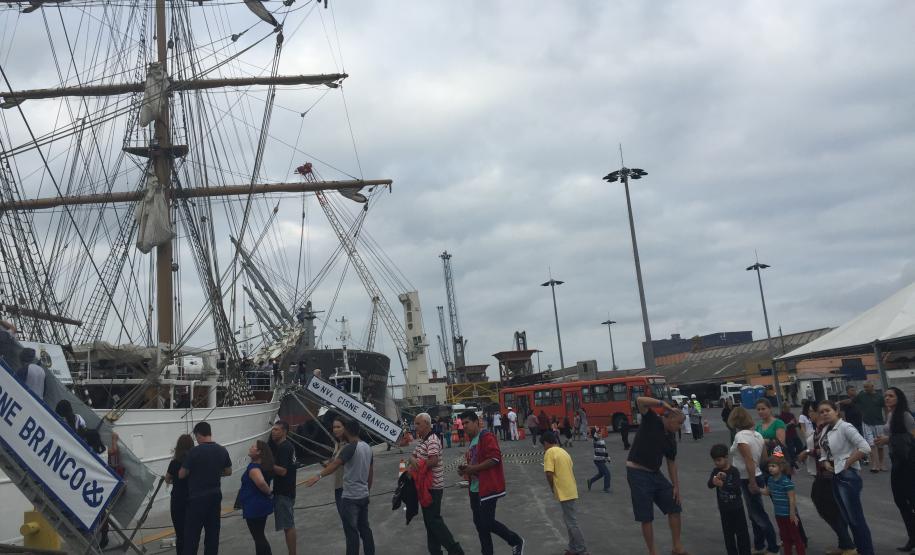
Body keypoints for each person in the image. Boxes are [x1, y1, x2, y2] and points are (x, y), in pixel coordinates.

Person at [625, 396, 689, 555]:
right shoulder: (651, 419)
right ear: (670, 417)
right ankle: (653, 552)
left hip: (655, 473)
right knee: (646, 516)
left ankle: (677, 547)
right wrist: (663, 404)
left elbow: (671, 462)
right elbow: (640, 400)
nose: (680, 427)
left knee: (674, 505)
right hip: (637, 472)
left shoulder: (670, 438)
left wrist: (676, 487)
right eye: (679, 423)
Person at [456, 410, 524, 555]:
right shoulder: (472, 442)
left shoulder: (486, 436)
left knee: (487, 522)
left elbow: (495, 459)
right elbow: (475, 466)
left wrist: (472, 468)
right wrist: (465, 471)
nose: (465, 426)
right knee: (480, 526)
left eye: (467, 423)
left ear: (476, 422)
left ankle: (515, 540)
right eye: (463, 424)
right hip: (475, 489)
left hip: (487, 489)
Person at [306, 418, 375, 555]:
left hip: (350, 496)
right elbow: (370, 472)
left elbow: (335, 465)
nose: (337, 430)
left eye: (340, 427)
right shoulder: (367, 447)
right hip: (363, 494)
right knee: (365, 529)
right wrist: (367, 489)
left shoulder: (350, 447)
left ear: (347, 430)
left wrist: (318, 476)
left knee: (351, 532)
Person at [797, 403, 856, 555]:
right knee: (828, 508)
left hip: (829, 473)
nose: (811, 414)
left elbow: (827, 449)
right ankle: (844, 543)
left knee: (829, 509)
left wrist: (808, 451)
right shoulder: (816, 428)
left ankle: (847, 544)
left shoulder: (827, 427)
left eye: (813, 411)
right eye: (811, 412)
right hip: (819, 472)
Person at [817, 400, 874, 555]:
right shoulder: (825, 430)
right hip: (835, 475)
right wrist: (825, 463)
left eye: (827, 410)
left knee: (856, 519)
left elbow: (865, 447)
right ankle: (858, 549)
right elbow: (824, 453)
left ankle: (866, 551)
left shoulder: (845, 427)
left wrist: (846, 463)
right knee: (848, 518)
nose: (824, 414)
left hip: (847, 477)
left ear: (836, 410)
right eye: (821, 412)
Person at [728, 406, 779, 555]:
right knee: (754, 513)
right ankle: (759, 544)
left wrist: (752, 482)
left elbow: (748, 460)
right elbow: (763, 459)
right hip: (757, 474)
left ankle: (772, 547)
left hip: (746, 478)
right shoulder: (757, 435)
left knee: (758, 514)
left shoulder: (740, 437)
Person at [410, 413, 464, 555]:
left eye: (418, 424)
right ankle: (435, 551)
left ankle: (455, 550)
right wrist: (413, 460)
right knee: (430, 523)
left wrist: (417, 463)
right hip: (425, 487)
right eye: (415, 424)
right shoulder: (423, 441)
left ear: (427, 424)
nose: (415, 427)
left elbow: (433, 461)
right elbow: (412, 455)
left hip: (433, 487)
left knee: (434, 521)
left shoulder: (432, 440)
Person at [179, 421, 232, 555]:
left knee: (192, 536)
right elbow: (228, 471)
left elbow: (181, 474)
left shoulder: (194, 452)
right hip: (215, 497)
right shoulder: (222, 450)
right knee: (212, 535)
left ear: (198, 434)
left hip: (197, 499)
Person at [874, 387, 915, 551]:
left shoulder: (905, 415)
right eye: (886, 396)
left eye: (891, 396)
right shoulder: (891, 415)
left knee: (910, 500)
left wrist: (888, 439)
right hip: (897, 462)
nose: (887, 398)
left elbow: (913, 436)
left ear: (899, 398)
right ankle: (912, 537)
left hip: (908, 464)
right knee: (901, 501)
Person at [542, 431, 589, 555]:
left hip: (563, 490)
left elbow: (549, 473)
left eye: (543, 444)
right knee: (569, 520)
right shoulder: (563, 452)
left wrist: (552, 487)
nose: (544, 447)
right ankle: (573, 547)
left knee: (571, 522)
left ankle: (581, 548)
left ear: (546, 443)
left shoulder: (550, 452)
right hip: (570, 488)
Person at [708, 443, 750, 555]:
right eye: (715, 461)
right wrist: (714, 480)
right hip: (724, 509)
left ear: (726, 457)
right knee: (728, 535)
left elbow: (737, 489)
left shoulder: (734, 471)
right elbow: (710, 485)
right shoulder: (715, 471)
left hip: (737, 508)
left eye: (719, 460)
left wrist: (722, 484)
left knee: (742, 533)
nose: (717, 463)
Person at [760, 455, 804, 555]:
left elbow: (792, 499)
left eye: (773, 466)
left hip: (789, 515)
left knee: (796, 537)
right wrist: (757, 489)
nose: (770, 468)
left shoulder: (787, 482)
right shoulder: (770, 480)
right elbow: (767, 492)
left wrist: (792, 514)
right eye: (769, 466)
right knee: (785, 538)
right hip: (779, 514)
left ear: (781, 468)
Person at [239, 440, 275, 555]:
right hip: (257, 505)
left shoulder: (254, 468)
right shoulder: (260, 466)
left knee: (258, 537)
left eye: (253, 447)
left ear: (259, 452)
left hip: (254, 506)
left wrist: (269, 493)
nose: (251, 447)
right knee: (259, 536)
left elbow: (260, 483)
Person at [269, 421, 297, 555]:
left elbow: (283, 471)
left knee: (288, 526)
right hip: (288, 490)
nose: (273, 432)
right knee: (288, 525)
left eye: (276, 430)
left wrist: (268, 465)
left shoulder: (285, 448)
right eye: (273, 430)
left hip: (284, 491)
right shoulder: (286, 446)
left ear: (284, 431)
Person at [165, 434, 194, 555]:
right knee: (191, 532)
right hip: (192, 499)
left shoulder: (174, 463)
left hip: (177, 500)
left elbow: (167, 479)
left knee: (180, 533)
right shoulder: (194, 462)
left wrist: (174, 480)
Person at [855, 382, 887, 472]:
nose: (865, 389)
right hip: (866, 423)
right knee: (871, 445)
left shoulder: (880, 396)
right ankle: (875, 465)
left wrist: (887, 419)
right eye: (864, 387)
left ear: (873, 386)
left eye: (867, 387)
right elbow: (853, 401)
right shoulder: (861, 395)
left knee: (880, 445)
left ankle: (881, 464)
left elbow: (885, 408)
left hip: (879, 422)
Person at [587, 427, 610, 493]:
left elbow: (604, 450)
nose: (600, 434)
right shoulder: (596, 440)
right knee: (607, 474)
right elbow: (594, 435)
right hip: (598, 460)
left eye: (600, 433)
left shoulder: (602, 440)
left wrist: (607, 458)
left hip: (601, 460)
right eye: (599, 433)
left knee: (601, 474)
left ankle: (590, 481)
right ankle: (606, 488)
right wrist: (595, 430)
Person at [780, 402, 802, 469]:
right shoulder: (781, 416)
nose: (789, 409)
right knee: (791, 449)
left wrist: (797, 424)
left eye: (789, 407)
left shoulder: (791, 414)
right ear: (784, 408)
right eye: (788, 408)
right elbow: (782, 427)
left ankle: (797, 458)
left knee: (800, 446)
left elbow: (795, 424)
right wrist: (790, 423)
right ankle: (793, 463)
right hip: (787, 435)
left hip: (794, 433)